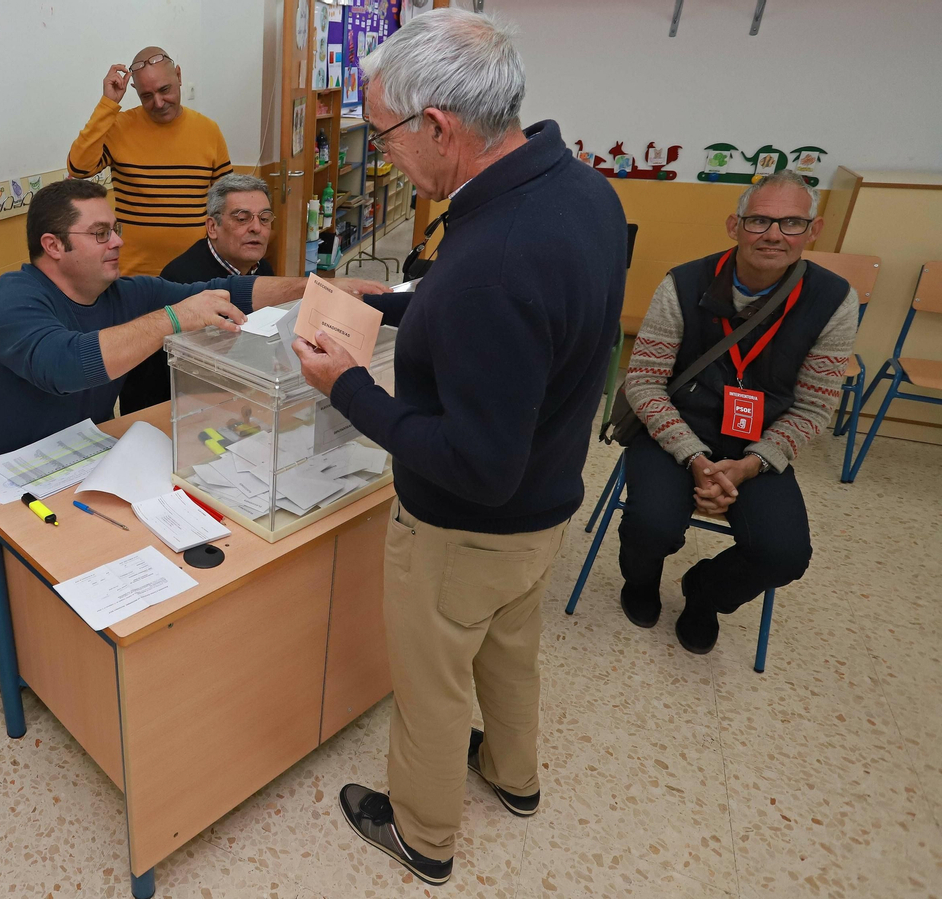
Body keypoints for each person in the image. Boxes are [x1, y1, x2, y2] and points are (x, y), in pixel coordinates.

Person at [290, 10, 627, 885]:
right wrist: (405, 302)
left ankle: (424, 835)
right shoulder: (577, 189)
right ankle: (515, 779)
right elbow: (529, 319)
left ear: (438, 125)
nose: (385, 153)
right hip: (545, 508)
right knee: (512, 648)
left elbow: (476, 461)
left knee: (435, 685)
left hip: (465, 529)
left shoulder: (498, 259)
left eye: (386, 135)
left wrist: (349, 388)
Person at [0, 178, 386, 648]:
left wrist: (317, 291)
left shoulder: (122, 294)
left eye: (116, 229)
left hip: (75, 457)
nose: (119, 241)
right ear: (53, 245)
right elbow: (67, 365)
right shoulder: (14, 299)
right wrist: (175, 317)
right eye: (101, 233)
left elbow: (228, 291)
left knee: (109, 558)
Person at [618, 170, 855, 653]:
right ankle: (641, 582)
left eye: (791, 223)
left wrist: (751, 464)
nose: (773, 234)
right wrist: (696, 459)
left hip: (760, 444)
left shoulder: (834, 300)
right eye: (759, 221)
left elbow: (813, 407)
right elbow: (643, 382)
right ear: (734, 226)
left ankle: (703, 594)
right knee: (651, 525)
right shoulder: (683, 283)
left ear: (814, 230)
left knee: (784, 554)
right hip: (676, 429)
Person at [67, 47, 231, 279]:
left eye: (165, 90)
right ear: (135, 91)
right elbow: (79, 168)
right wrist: (107, 104)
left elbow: (226, 204)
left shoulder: (209, 131)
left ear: (179, 76)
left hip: (198, 273)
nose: (159, 102)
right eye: (146, 96)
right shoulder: (119, 127)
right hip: (133, 276)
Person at [117, 174, 276, 412]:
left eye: (264, 219)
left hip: (239, 395)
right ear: (212, 227)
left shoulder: (263, 269)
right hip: (172, 407)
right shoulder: (182, 279)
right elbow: (187, 374)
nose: (256, 228)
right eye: (242, 218)